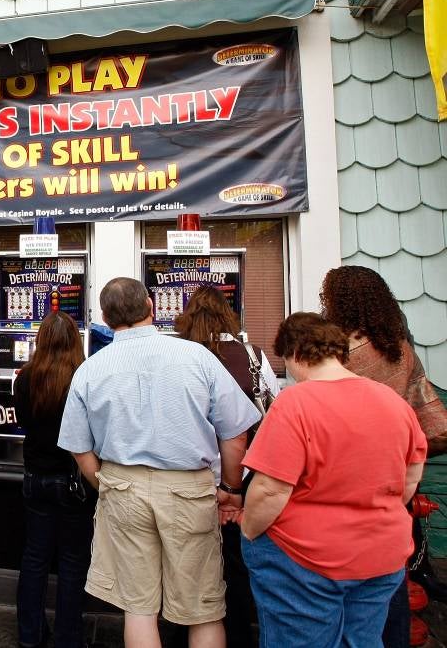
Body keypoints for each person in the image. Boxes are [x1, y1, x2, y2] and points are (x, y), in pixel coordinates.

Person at [57, 277, 260, 648]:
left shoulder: (90, 369)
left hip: (122, 487)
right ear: (152, 306)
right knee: (204, 608)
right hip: (189, 489)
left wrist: (104, 483)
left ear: (104, 317)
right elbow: (236, 434)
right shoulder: (197, 357)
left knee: (139, 607)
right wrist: (231, 490)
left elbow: (77, 445)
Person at [240, 312, 427, 648]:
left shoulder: (295, 403)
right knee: (363, 640)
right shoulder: (391, 401)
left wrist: (249, 530)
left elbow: (270, 489)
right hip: (381, 553)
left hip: (304, 558)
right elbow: (410, 475)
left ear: (296, 355)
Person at [320, 265, 447, 644]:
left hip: (348, 471)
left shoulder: (339, 352)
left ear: (339, 301)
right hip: (397, 467)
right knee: (391, 566)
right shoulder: (399, 347)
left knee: (344, 573)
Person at [170, 285, 281, 648]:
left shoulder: (179, 356)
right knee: (236, 566)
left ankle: (181, 633)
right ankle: (236, 635)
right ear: (227, 316)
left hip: (190, 475)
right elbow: (273, 408)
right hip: (243, 476)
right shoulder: (252, 354)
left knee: (185, 565)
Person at [15, 311, 93, 648]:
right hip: (73, 482)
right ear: (76, 341)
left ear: (40, 340)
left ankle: (30, 636)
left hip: (34, 478)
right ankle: (68, 638)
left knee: (35, 558)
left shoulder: (23, 378)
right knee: (72, 562)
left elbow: (22, 422)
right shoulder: (84, 378)